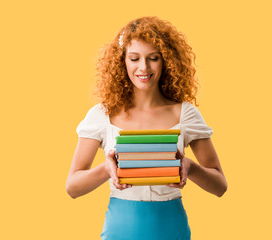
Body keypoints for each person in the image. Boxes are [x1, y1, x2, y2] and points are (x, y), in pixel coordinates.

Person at [66, 16, 227, 240]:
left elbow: (220, 186)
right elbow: (72, 187)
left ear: (167, 61)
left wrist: (189, 166)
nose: (144, 67)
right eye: (134, 58)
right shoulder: (102, 115)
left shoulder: (185, 114)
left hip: (172, 228)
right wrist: (107, 169)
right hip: (120, 230)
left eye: (153, 58)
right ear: (122, 61)